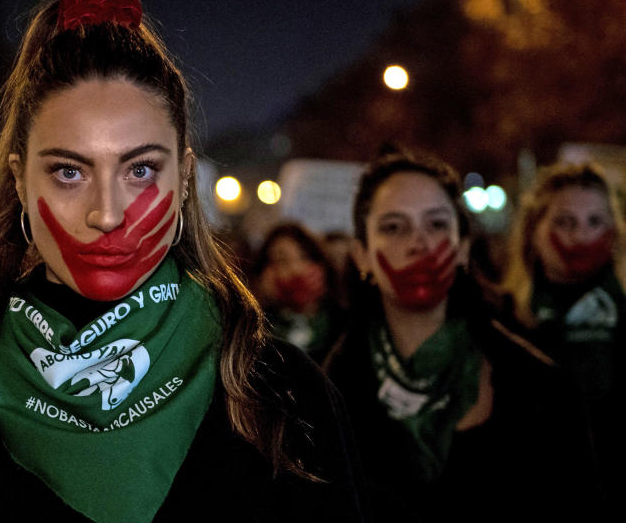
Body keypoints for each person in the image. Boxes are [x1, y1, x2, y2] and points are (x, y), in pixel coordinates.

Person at [0, 0, 369, 523]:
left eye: (140, 170)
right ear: (19, 180)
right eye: (69, 172)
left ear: (186, 178)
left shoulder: (286, 397)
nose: (107, 213)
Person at [322, 150, 602, 522]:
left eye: (436, 224)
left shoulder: (543, 386)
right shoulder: (323, 400)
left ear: (463, 248)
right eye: (393, 227)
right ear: (362, 257)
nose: (419, 243)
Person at [499, 160, 625, 509]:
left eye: (595, 222)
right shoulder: (503, 318)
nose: (581, 236)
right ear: (533, 231)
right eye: (565, 222)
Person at [252, 222, 344, 361]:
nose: (296, 269)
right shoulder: (253, 332)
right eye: (282, 260)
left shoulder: (345, 327)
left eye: (304, 257)